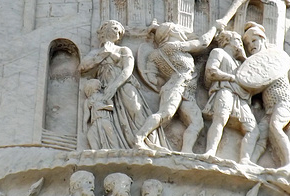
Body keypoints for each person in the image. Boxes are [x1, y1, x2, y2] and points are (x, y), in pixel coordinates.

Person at [80, 20, 166, 150]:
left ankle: (147, 142)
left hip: (124, 85)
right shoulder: (96, 52)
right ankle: (119, 146)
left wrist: (114, 86)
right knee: (112, 118)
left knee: (136, 110)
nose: (118, 33)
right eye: (115, 28)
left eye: (120, 31)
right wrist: (103, 54)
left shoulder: (123, 50)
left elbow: (127, 70)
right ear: (104, 29)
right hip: (104, 87)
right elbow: (82, 67)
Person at [135, 22, 219, 153]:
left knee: (197, 123)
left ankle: (186, 151)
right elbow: (202, 43)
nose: (182, 32)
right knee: (166, 114)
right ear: (171, 32)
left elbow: (152, 78)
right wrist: (215, 27)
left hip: (187, 91)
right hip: (177, 87)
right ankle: (139, 138)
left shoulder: (155, 55)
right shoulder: (174, 46)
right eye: (178, 29)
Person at [242, 23, 290, 171]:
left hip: (283, 103)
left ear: (262, 39)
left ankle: (289, 165)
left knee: (276, 126)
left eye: (254, 41)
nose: (251, 46)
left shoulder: (272, 59)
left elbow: (260, 82)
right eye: (247, 44)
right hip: (270, 108)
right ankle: (250, 164)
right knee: (261, 134)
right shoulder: (258, 65)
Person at [203, 30, 258, 162]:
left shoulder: (239, 63)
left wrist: (244, 58)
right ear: (227, 40)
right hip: (224, 90)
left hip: (240, 97)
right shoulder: (218, 52)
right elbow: (211, 71)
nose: (241, 44)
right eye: (238, 40)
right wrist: (232, 78)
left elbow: (254, 78)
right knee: (220, 120)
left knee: (253, 130)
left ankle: (245, 160)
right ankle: (210, 151)